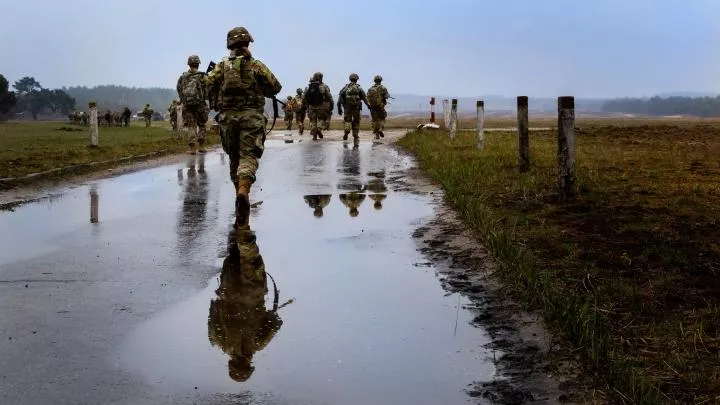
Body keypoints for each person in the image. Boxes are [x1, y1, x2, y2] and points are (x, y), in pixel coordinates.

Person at [205, 26, 282, 225]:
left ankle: (238, 193)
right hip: (251, 118)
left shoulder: (221, 66)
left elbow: (207, 86)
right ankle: (243, 191)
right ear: (248, 44)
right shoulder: (255, 65)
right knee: (248, 156)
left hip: (227, 119)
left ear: (229, 45)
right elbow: (275, 86)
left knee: (234, 156)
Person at [208, 224, 283, 383]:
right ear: (230, 363)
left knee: (249, 256)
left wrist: (268, 315)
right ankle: (239, 231)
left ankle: (243, 231)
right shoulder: (222, 343)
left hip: (253, 293)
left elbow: (276, 322)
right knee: (233, 254)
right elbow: (212, 318)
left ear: (248, 365)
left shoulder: (258, 344)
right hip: (229, 291)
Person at [177, 55, 210, 154]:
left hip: (188, 106)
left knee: (191, 126)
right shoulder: (202, 76)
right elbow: (208, 89)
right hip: (200, 105)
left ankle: (192, 148)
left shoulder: (183, 76)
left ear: (189, 64)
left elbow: (179, 89)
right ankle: (202, 146)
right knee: (202, 125)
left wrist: (184, 100)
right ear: (198, 64)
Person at [337, 73, 370, 147]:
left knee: (347, 122)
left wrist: (339, 108)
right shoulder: (359, 88)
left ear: (350, 79)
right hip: (356, 109)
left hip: (347, 109)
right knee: (356, 123)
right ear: (357, 79)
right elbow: (365, 98)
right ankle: (356, 138)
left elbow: (339, 100)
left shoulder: (345, 88)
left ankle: (346, 133)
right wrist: (368, 105)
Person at [302, 72, 333, 141]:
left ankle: (314, 136)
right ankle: (319, 129)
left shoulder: (308, 87)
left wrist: (306, 106)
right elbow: (329, 97)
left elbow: (303, 98)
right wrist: (331, 105)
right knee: (321, 119)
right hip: (321, 107)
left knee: (313, 121)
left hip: (311, 107)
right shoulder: (324, 86)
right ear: (321, 78)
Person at [366, 75, 390, 139]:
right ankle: (380, 129)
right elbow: (386, 96)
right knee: (382, 118)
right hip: (380, 106)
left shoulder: (370, 89)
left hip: (373, 107)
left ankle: (376, 134)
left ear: (374, 80)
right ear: (381, 80)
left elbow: (367, 98)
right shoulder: (383, 88)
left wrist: (369, 105)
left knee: (374, 120)